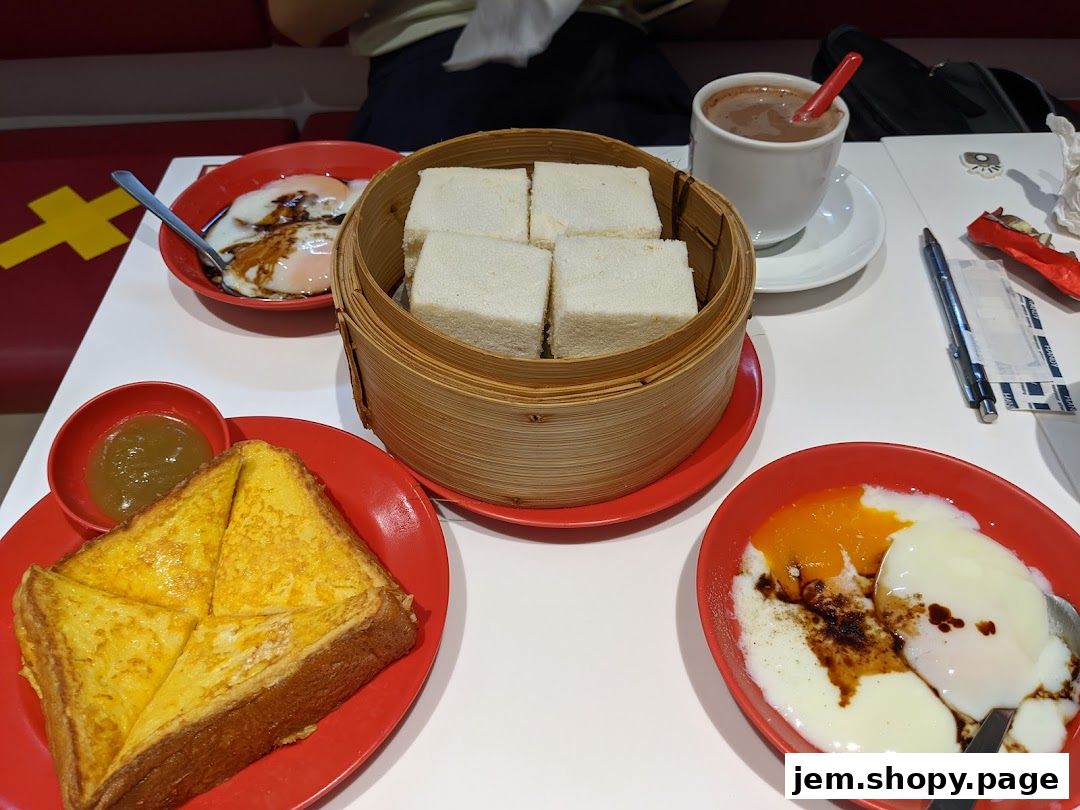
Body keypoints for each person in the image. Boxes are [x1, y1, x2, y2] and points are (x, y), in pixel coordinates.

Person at [269, 1, 729, 150]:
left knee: (670, 232)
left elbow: (703, 15)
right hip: (428, 54)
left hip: (611, 41)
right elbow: (296, 18)